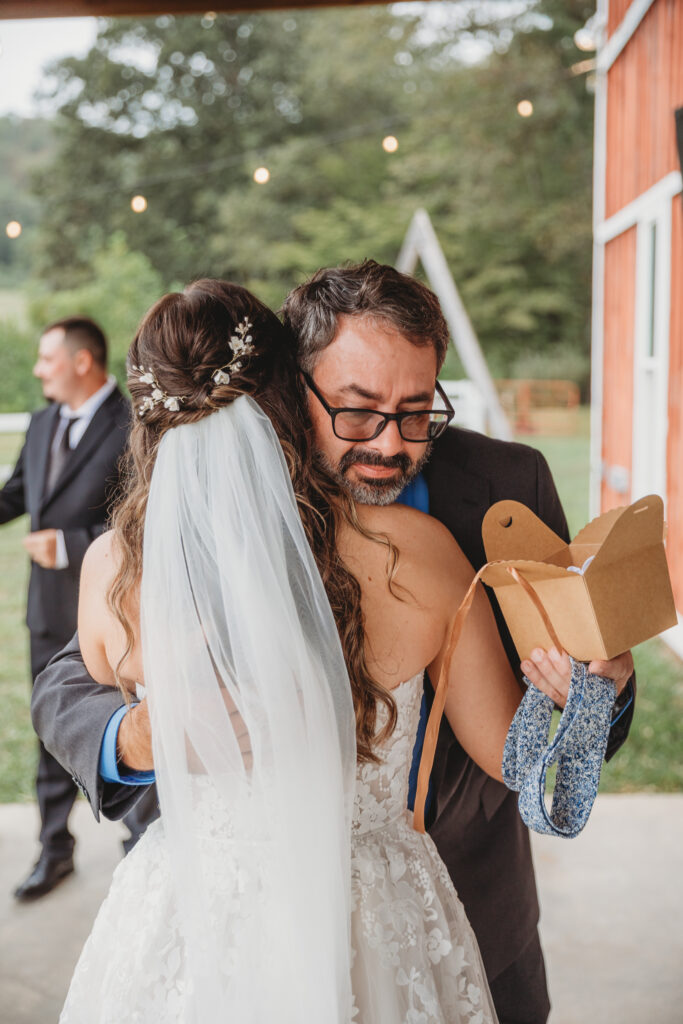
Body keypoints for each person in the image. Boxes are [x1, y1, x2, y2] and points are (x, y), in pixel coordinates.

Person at [33, 264, 634, 1021]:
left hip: (414, 912)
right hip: (347, 921)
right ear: (290, 388)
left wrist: (596, 688)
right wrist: (133, 736)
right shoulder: (419, 556)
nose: (391, 441)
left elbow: (558, 695)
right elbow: (544, 785)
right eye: (357, 411)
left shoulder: (115, 573)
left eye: (418, 411)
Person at [0, 316, 135, 902]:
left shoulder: (133, 423)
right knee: (49, 725)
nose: (37, 370)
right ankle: (54, 848)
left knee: (129, 722)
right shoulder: (42, 421)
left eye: (46, 359)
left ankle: (141, 844)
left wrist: (72, 546)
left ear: (83, 361)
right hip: (47, 608)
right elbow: (15, 493)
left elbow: (145, 515)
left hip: (115, 610)